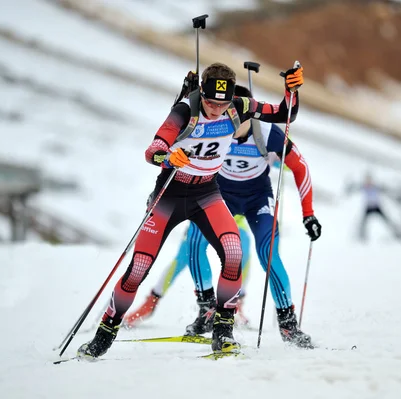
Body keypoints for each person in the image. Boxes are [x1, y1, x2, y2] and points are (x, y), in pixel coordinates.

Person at [77, 62, 304, 359]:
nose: (215, 109)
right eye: (210, 101)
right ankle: (105, 332)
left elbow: (284, 114)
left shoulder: (238, 107)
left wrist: (292, 91)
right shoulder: (187, 109)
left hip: (206, 192)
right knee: (139, 269)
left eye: (222, 103)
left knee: (233, 253)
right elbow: (153, 149)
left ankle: (222, 331)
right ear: (201, 94)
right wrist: (170, 156)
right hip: (170, 194)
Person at [125, 85, 321, 348]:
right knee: (192, 244)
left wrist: (308, 214)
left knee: (268, 254)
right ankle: (207, 310)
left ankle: (288, 325)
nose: (228, 119)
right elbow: (173, 144)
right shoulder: (213, 127)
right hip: (218, 195)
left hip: (256, 199)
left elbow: (301, 167)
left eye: (236, 114)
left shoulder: (266, 133)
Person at [123, 215, 254, 328]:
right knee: (183, 257)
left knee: (243, 251)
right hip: (203, 217)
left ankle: (236, 303)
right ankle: (151, 301)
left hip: (234, 221)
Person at [347, 172, 400, 241]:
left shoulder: (376, 187)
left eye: (369, 180)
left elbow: (385, 190)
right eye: (367, 180)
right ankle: (362, 236)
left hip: (376, 206)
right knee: (363, 222)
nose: (368, 181)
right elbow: (355, 188)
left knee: (386, 220)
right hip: (368, 207)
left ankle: (396, 233)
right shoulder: (364, 187)